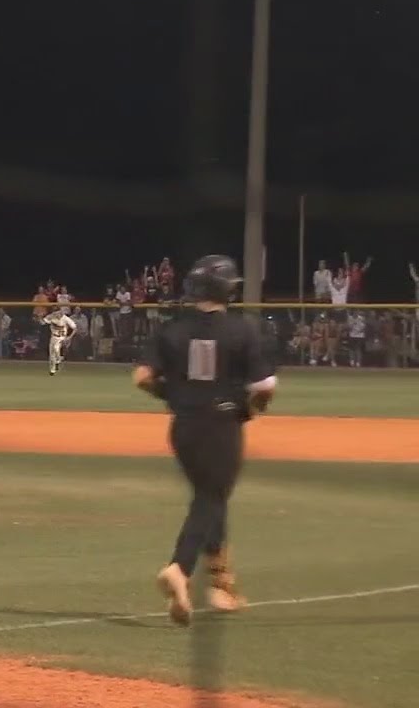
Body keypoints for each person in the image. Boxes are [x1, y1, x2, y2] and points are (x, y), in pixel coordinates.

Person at [133, 254, 276, 626]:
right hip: (222, 425)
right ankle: (180, 568)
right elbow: (265, 386)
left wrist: (174, 396)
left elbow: (143, 378)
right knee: (212, 497)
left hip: (183, 429)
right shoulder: (242, 329)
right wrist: (255, 408)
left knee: (209, 497)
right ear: (230, 289)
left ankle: (222, 585)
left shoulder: (171, 329)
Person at [42, 307, 76, 375]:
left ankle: (58, 359)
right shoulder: (51, 317)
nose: (57, 314)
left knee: (56, 348)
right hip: (54, 337)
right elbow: (43, 322)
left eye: (58, 312)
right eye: (55, 313)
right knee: (52, 354)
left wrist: (69, 337)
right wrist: (41, 317)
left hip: (62, 338)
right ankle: (53, 369)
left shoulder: (65, 318)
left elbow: (74, 328)